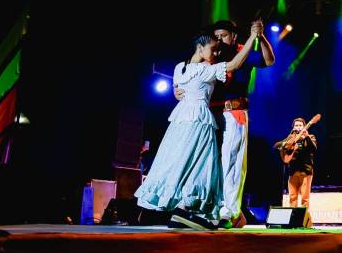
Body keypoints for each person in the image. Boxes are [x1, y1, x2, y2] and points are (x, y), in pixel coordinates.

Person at [135, 27, 258, 229]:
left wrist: (176, 91)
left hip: (181, 120)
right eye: (213, 49)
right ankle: (186, 208)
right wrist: (253, 37)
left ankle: (180, 209)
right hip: (199, 120)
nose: (216, 53)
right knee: (201, 163)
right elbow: (235, 64)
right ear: (200, 48)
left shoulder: (179, 67)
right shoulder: (206, 69)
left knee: (180, 160)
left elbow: (179, 88)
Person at [177, 18, 275, 228]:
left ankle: (231, 212)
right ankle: (202, 207)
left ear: (234, 36)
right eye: (217, 37)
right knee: (206, 161)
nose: (220, 40)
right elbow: (190, 75)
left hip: (234, 112)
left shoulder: (242, 52)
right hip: (210, 114)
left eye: (224, 36)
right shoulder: (212, 54)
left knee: (231, 161)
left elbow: (268, 61)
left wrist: (260, 37)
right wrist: (178, 89)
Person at [274, 117, 317, 208]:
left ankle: (303, 216)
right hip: (293, 171)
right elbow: (276, 145)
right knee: (292, 198)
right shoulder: (290, 138)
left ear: (304, 127)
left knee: (305, 199)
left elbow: (314, 149)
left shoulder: (310, 137)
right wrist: (287, 144)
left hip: (305, 171)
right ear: (293, 127)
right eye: (296, 125)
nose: (298, 127)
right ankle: (293, 216)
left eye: (300, 125)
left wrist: (307, 137)